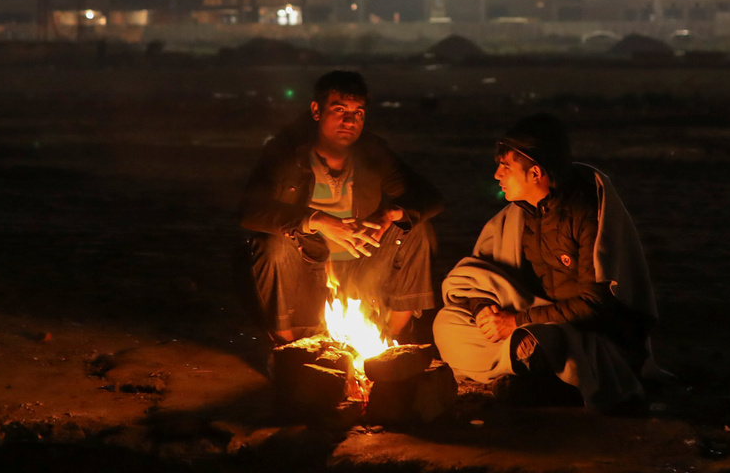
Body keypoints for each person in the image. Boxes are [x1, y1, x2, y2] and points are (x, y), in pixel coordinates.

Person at [434, 113, 662, 410]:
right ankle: (525, 363)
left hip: (582, 332)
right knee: (447, 323)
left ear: (536, 173)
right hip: (529, 320)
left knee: (547, 342)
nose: (497, 176)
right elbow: (477, 278)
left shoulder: (586, 213)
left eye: (505, 167)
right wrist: (484, 312)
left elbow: (593, 306)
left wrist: (515, 322)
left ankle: (533, 370)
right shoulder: (516, 217)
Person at [238, 70, 441, 342]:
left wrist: (390, 213)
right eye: (339, 109)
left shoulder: (372, 153)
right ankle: (287, 346)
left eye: (358, 113)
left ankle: (393, 342)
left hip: (362, 261)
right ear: (316, 110)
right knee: (270, 243)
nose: (349, 120)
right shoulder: (287, 152)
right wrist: (318, 221)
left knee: (415, 229)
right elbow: (250, 210)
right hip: (306, 263)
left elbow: (429, 196)